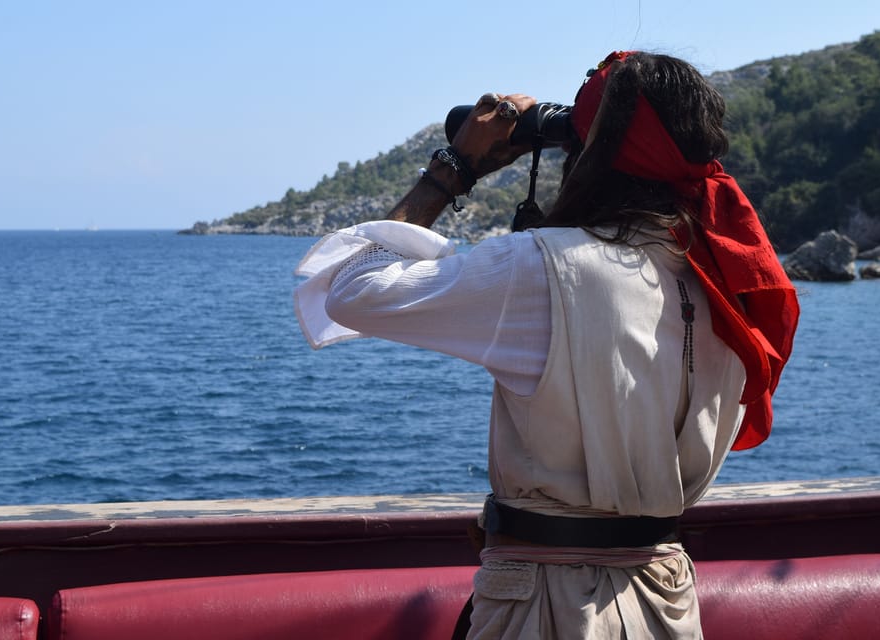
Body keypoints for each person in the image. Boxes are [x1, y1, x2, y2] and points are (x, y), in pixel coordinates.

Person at [294, 51, 799, 639]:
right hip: (666, 603)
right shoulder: (723, 282)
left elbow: (352, 288)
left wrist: (454, 168)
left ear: (590, 157)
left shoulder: (543, 268)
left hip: (548, 612)